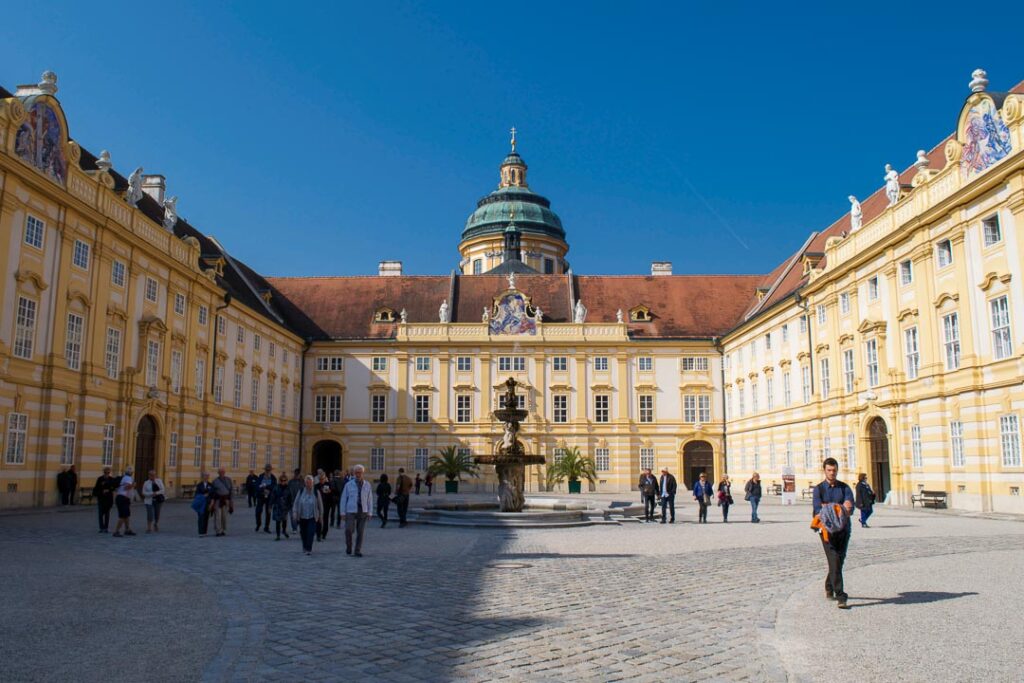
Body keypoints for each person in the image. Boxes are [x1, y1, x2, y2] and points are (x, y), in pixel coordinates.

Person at [812, 457, 854, 609]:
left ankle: (829, 586)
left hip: (843, 530)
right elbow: (819, 510)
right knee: (835, 559)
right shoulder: (819, 489)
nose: (832, 473)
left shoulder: (844, 488)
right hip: (826, 532)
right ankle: (841, 596)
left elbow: (850, 508)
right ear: (824, 471)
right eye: (829, 470)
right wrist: (839, 507)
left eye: (834, 470)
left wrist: (832, 507)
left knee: (839, 561)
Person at [340, 464, 372, 556]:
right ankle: (349, 546)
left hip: (363, 510)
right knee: (348, 530)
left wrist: (370, 512)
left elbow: (369, 499)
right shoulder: (348, 485)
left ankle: (357, 550)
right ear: (354, 473)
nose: (358, 474)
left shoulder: (367, 485)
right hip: (351, 510)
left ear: (363, 473)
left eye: (360, 473)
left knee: (360, 532)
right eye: (356, 473)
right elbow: (343, 499)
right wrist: (342, 512)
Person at [291, 475, 323, 555]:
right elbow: (296, 503)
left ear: (313, 483)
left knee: (311, 532)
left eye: (310, 483)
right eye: (307, 483)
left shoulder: (316, 492)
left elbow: (320, 505)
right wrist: (294, 513)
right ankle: (304, 546)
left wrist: (321, 516)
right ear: (305, 483)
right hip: (302, 516)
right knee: (303, 533)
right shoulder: (301, 491)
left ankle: (309, 548)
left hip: (313, 516)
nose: (308, 484)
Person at [112, 466, 136, 537]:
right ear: (131, 473)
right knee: (122, 516)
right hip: (123, 498)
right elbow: (127, 487)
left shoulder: (123, 477)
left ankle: (127, 529)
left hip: (121, 498)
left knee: (126, 515)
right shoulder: (128, 478)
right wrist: (133, 485)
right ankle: (116, 531)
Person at [92, 466, 117, 533]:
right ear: (104, 472)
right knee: (100, 514)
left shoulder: (111, 479)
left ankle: (106, 527)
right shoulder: (100, 479)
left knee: (107, 514)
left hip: (108, 499)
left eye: (108, 472)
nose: (107, 474)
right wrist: (102, 491)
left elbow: (114, 488)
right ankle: (101, 527)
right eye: (106, 472)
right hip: (101, 498)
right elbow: (96, 488)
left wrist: (109, 490)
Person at [211, 467, 234, 537]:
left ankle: (223, 530)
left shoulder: (228, 480)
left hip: (226, 500)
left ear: (224, 472)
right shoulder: (215, 481)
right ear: (218, 473)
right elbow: (212, 492)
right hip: (218, 500)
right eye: (220, 472)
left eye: (223, 472)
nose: (222, 473)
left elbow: (231, 491)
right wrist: (213, 502)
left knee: (224, 516)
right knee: (218, 516)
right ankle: (218, 530)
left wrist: (231, 502)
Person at [255, 464, 276, 533]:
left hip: (269, 497)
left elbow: (274, 487)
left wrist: (267, 487)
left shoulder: (273, 478)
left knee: (268, 512)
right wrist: (262, 490)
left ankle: (266, 527)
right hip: (261, 496)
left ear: (270, 471)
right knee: (258, 511)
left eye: (269, 470)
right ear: (265, 470)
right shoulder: (261, 476)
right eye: (266, 470)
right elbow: (257, 486)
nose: (267, 471)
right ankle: (258, 524)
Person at [270, 473, 293, 540]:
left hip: (285, 507)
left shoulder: (288, 488)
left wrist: (290, 506)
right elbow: (272, 497)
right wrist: (270, 506)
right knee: (278, 522)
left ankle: (284, 531)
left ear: (286, 481)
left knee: (284, 521)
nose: (283, 482)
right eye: (281, 480)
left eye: (284, 480)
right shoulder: (276, 487)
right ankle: (278, 535)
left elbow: (290, 498)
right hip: (277, 507)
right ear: (279, 480)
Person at [193, 471, 213, 536]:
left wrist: (211, 503)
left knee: (206, 517)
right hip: (201, 504)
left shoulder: (210, 485)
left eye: (207, 476)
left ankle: (205, 532)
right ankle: (200, 532)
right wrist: (203, 496)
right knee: (200, 517)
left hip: (208, 503)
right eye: (205, 476)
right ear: (202, 477)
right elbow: (196, 495)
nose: (206, 477)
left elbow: (212, 494)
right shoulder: (199, 485)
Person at [315, 470, 333, 541]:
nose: (322, 480)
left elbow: (332, 495)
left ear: (325, 478)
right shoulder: (316, 486)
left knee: (325, 520)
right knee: (318, 520)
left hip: (326, 505)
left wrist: (330, 492)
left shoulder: (328, 485)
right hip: (318, 506)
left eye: (323, 478)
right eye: (320, 479)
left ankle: (324, 533)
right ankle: (318, 534)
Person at [287, 468, 304, 534]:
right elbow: (288, 491)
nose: (296, 475)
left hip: (300, 502)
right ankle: (294, 528)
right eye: (296, 474)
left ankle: (298, 525)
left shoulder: (303, 482)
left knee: (300, 515)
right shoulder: (290, 482)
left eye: (298, 474)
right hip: (292, 501)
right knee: (292, 516)